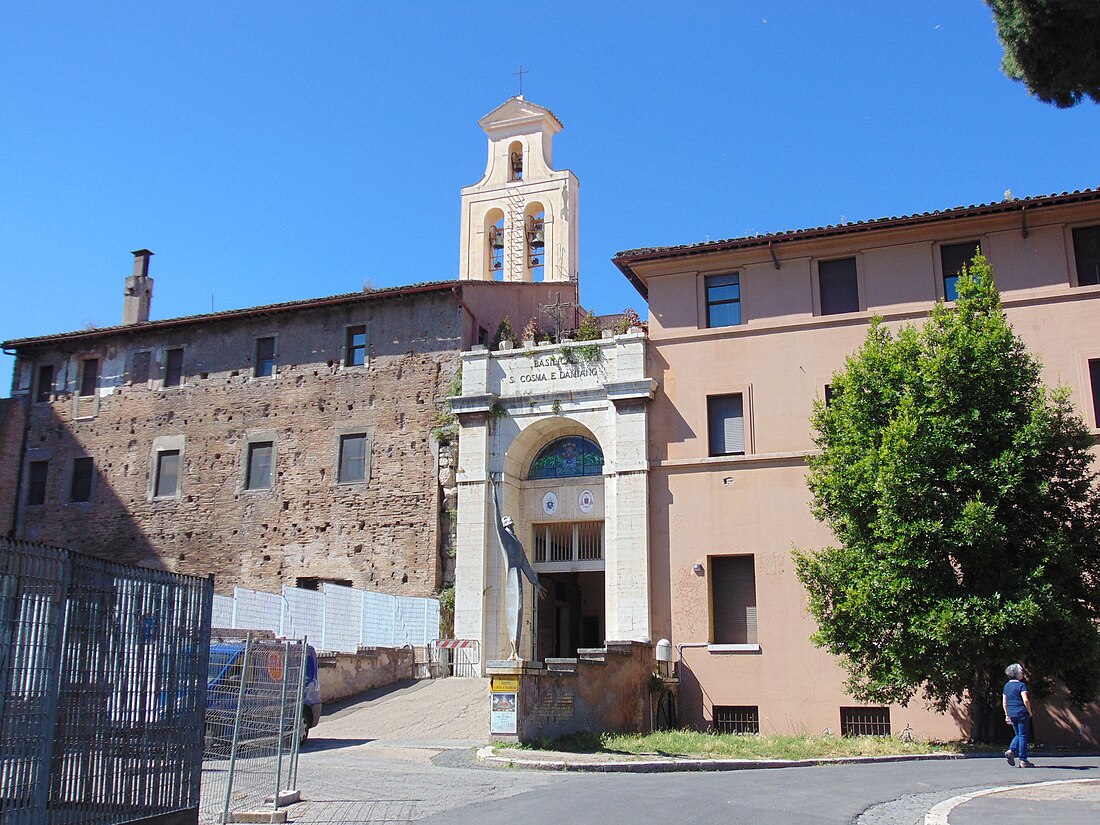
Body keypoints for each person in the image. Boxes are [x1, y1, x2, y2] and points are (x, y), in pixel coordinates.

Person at [1002, 663, 1034, 767]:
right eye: (1021, 672)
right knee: (1023, 735)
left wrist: (1007, 715)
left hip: (1011, 712)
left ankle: (1011, 750)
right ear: (1017, 674)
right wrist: (1029, 711)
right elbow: (1025, 700)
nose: (1022, 674)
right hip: (1021, 712)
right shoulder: (1021, 685)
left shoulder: (1006, 686)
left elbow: (1004, 702)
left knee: (1018, 734)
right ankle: (1023, 759)